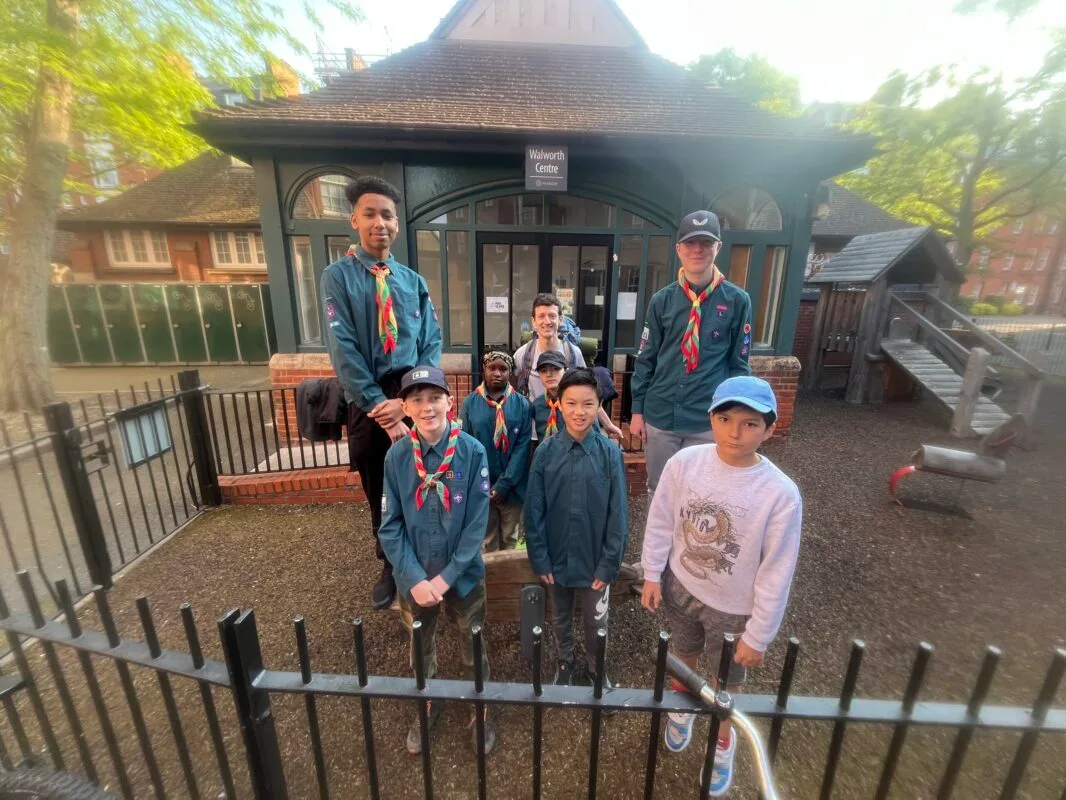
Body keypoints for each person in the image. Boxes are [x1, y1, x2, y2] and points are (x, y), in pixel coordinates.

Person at [640, 376, 802, 797]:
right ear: (710, 418)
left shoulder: (781, 494)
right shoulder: (685, 464)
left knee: (727, 681)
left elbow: (776, 569)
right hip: (681, 585)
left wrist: (760, 633)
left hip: (734, 608)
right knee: (683, 652)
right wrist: (652, 572)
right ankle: (682, 709)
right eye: (726, 418)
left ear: (769, 428)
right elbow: (661, 520)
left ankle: (722, 739)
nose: (735, 432)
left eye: (750, 424)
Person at [321, 175, 442, 610]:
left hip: (414, 395)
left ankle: (425, 557)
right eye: (370, 214)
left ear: (397, 224)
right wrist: (381, 407)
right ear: (354, 218)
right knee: (383, 488)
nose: (380, 223)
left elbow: (431, 340)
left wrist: (410, 400)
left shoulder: (412, 280)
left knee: (423, 481)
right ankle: (391, 563)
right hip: (368, 402)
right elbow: (344, 349)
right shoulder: (337, 278)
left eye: (387, 215)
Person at [378, 366, 495, 756]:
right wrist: (413, 578)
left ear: (449, 401)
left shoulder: (472, 451)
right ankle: (427, 699)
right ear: (406, 408)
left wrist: (445, 579)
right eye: (416, 400)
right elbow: (390, 526)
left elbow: (477, 525)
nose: (427, 407)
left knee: (472, 642)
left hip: (460, 576)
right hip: (415, 578)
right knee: (419, 645)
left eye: (434, 398)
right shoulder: (396, 457)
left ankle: (479, 705)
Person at [630, 211, 752, 496]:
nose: (697, 249)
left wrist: (734, 415)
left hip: (706, 419)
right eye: (690, 242)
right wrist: (637, 410)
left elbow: (738, 365)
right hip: (661, 417)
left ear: (717, 247)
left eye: (705, 242)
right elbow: (646, 358)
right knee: (659, 489)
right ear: (679, 249)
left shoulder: (737, 301)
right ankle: (659, 543)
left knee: (702, 492)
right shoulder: (662, 300)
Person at [525, 368, 628, 687]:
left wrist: (609, 563)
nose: (579, 412)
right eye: (571, 403)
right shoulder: (545, 452)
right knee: (560, 617)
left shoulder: (610, 453)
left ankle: (598, 669)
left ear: (599, 406)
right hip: (556, 559)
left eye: (588, 404)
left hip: (595, 558)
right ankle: (565, 663)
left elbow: (618, 514)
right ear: (560, 404)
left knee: (597, 620)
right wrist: (539, 558)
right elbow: (534, 511)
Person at [513, 293, 622, 438]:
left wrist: (607, 424)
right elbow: (513, 392)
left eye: (552, 316)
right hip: (535, 433)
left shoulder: (572, 353)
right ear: (533, 321)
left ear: (560, 320)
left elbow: (588, 390)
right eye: (541, 316)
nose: (547, 321)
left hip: (568, 430)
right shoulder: (524, 354)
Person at [458, 352, 532, 550]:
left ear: (510, 373)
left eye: (503, 369)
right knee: (488, 540)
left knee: (511, 538)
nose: (497, 373)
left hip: (513, 489)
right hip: (482, 487)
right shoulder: (470, 403)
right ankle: (491, 581)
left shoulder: (522, 405)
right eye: (492, 368)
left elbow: (522, 448)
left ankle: (511, 581)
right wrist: (485, 484)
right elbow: (465, 446)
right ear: (484, 370)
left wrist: (504, 485)